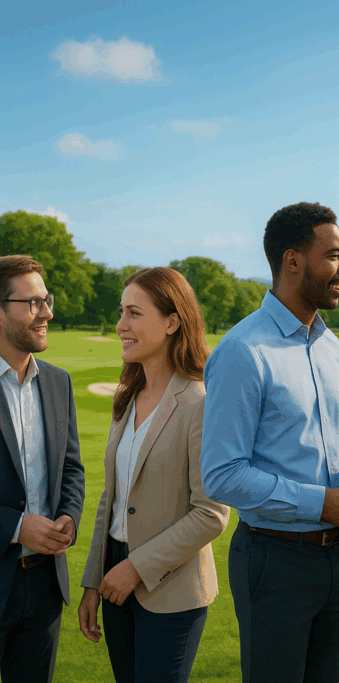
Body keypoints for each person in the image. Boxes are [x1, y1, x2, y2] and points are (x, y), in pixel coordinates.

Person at [200, 202, 339, 683]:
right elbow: (221, 474)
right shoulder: (242, 351)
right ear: (293, 261)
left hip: (337, 559)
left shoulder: (329, 345)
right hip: (273, 563)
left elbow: (330, 438)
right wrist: (323, 502)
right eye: (335, 255)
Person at [78, 267, 231, 682]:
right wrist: (93, 580)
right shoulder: (126, 398)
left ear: (171, 322)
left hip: (171, 592)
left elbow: (211, 512)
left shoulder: (199, 402)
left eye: (133, 313)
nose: (120, 325)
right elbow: (110, 500)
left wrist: (136, 568)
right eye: (121, 312)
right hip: (113, 579)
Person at [0, 255, 86, 683]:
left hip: (45, 589)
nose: (47, 312)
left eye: (46, 299)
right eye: (33, 302)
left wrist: (69, 516)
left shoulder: (58, 381)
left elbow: (71, 467)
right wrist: (16, 527)